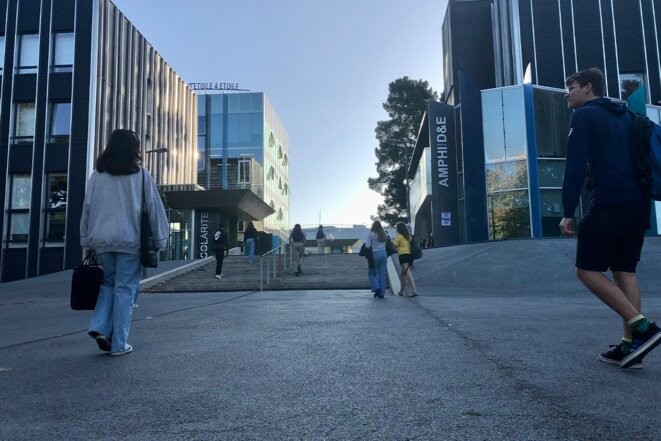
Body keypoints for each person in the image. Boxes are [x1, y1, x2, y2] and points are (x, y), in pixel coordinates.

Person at [559, 67, 661, 369]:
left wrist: (567, 211)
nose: (568, 93)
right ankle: (631, 345)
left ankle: (643, 328)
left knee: (587, 270)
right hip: (638, 203)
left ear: (588, 88)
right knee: (624, 271)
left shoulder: (584, 116)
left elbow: (575, 166)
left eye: (571, 86)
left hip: (610, 200)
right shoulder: (629, 116)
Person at [81, 129, 168, 357]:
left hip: (101, 241)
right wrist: (160, 240)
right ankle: (119, 343)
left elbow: (87, 209)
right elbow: (154, 209)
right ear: (134, 150)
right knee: (125, 290)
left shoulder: (96, 176)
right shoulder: (140, 175)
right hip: (130, 241)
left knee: (109, 284)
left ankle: (99, 327)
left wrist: (86, 240)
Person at [365, 221, 388, 299]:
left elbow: (367, 246)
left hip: (375, 254)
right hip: (384, 254)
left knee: (372, 273)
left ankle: (376, 287)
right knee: (382, 274)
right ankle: (382, 293)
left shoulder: (371, 234)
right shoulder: (384, 234)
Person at [394, 222, 417, 297]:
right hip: (409, 256)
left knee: (408, 273)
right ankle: (401, 291)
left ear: (398, 228)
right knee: (403, 274)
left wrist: (396, 248)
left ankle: (414, 291)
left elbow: (394, 246)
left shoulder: (399, 236)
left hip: (403, 256)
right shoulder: (408, 236)